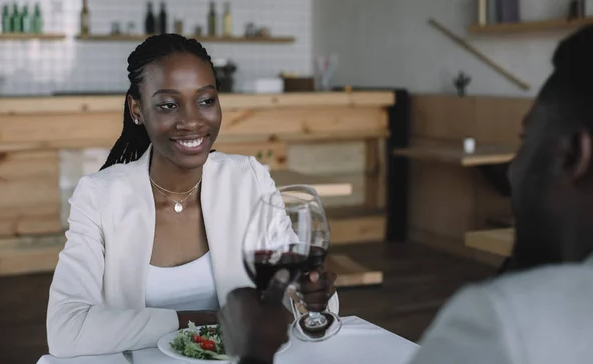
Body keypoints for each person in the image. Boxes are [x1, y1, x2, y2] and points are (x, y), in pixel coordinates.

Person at [218, 24, 593, 364]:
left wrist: (256, 352)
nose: (513, 167)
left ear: (575, 155)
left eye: (525, 141)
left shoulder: (505, 321)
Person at [46, 34, 338, 358]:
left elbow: (295, 296)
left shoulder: (248, 180)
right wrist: (202, 322)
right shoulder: (99, 198)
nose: (192, 121)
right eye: (169, 105)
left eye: (205, 101)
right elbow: (65, 330)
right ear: (137, 110)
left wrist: (312, 294)